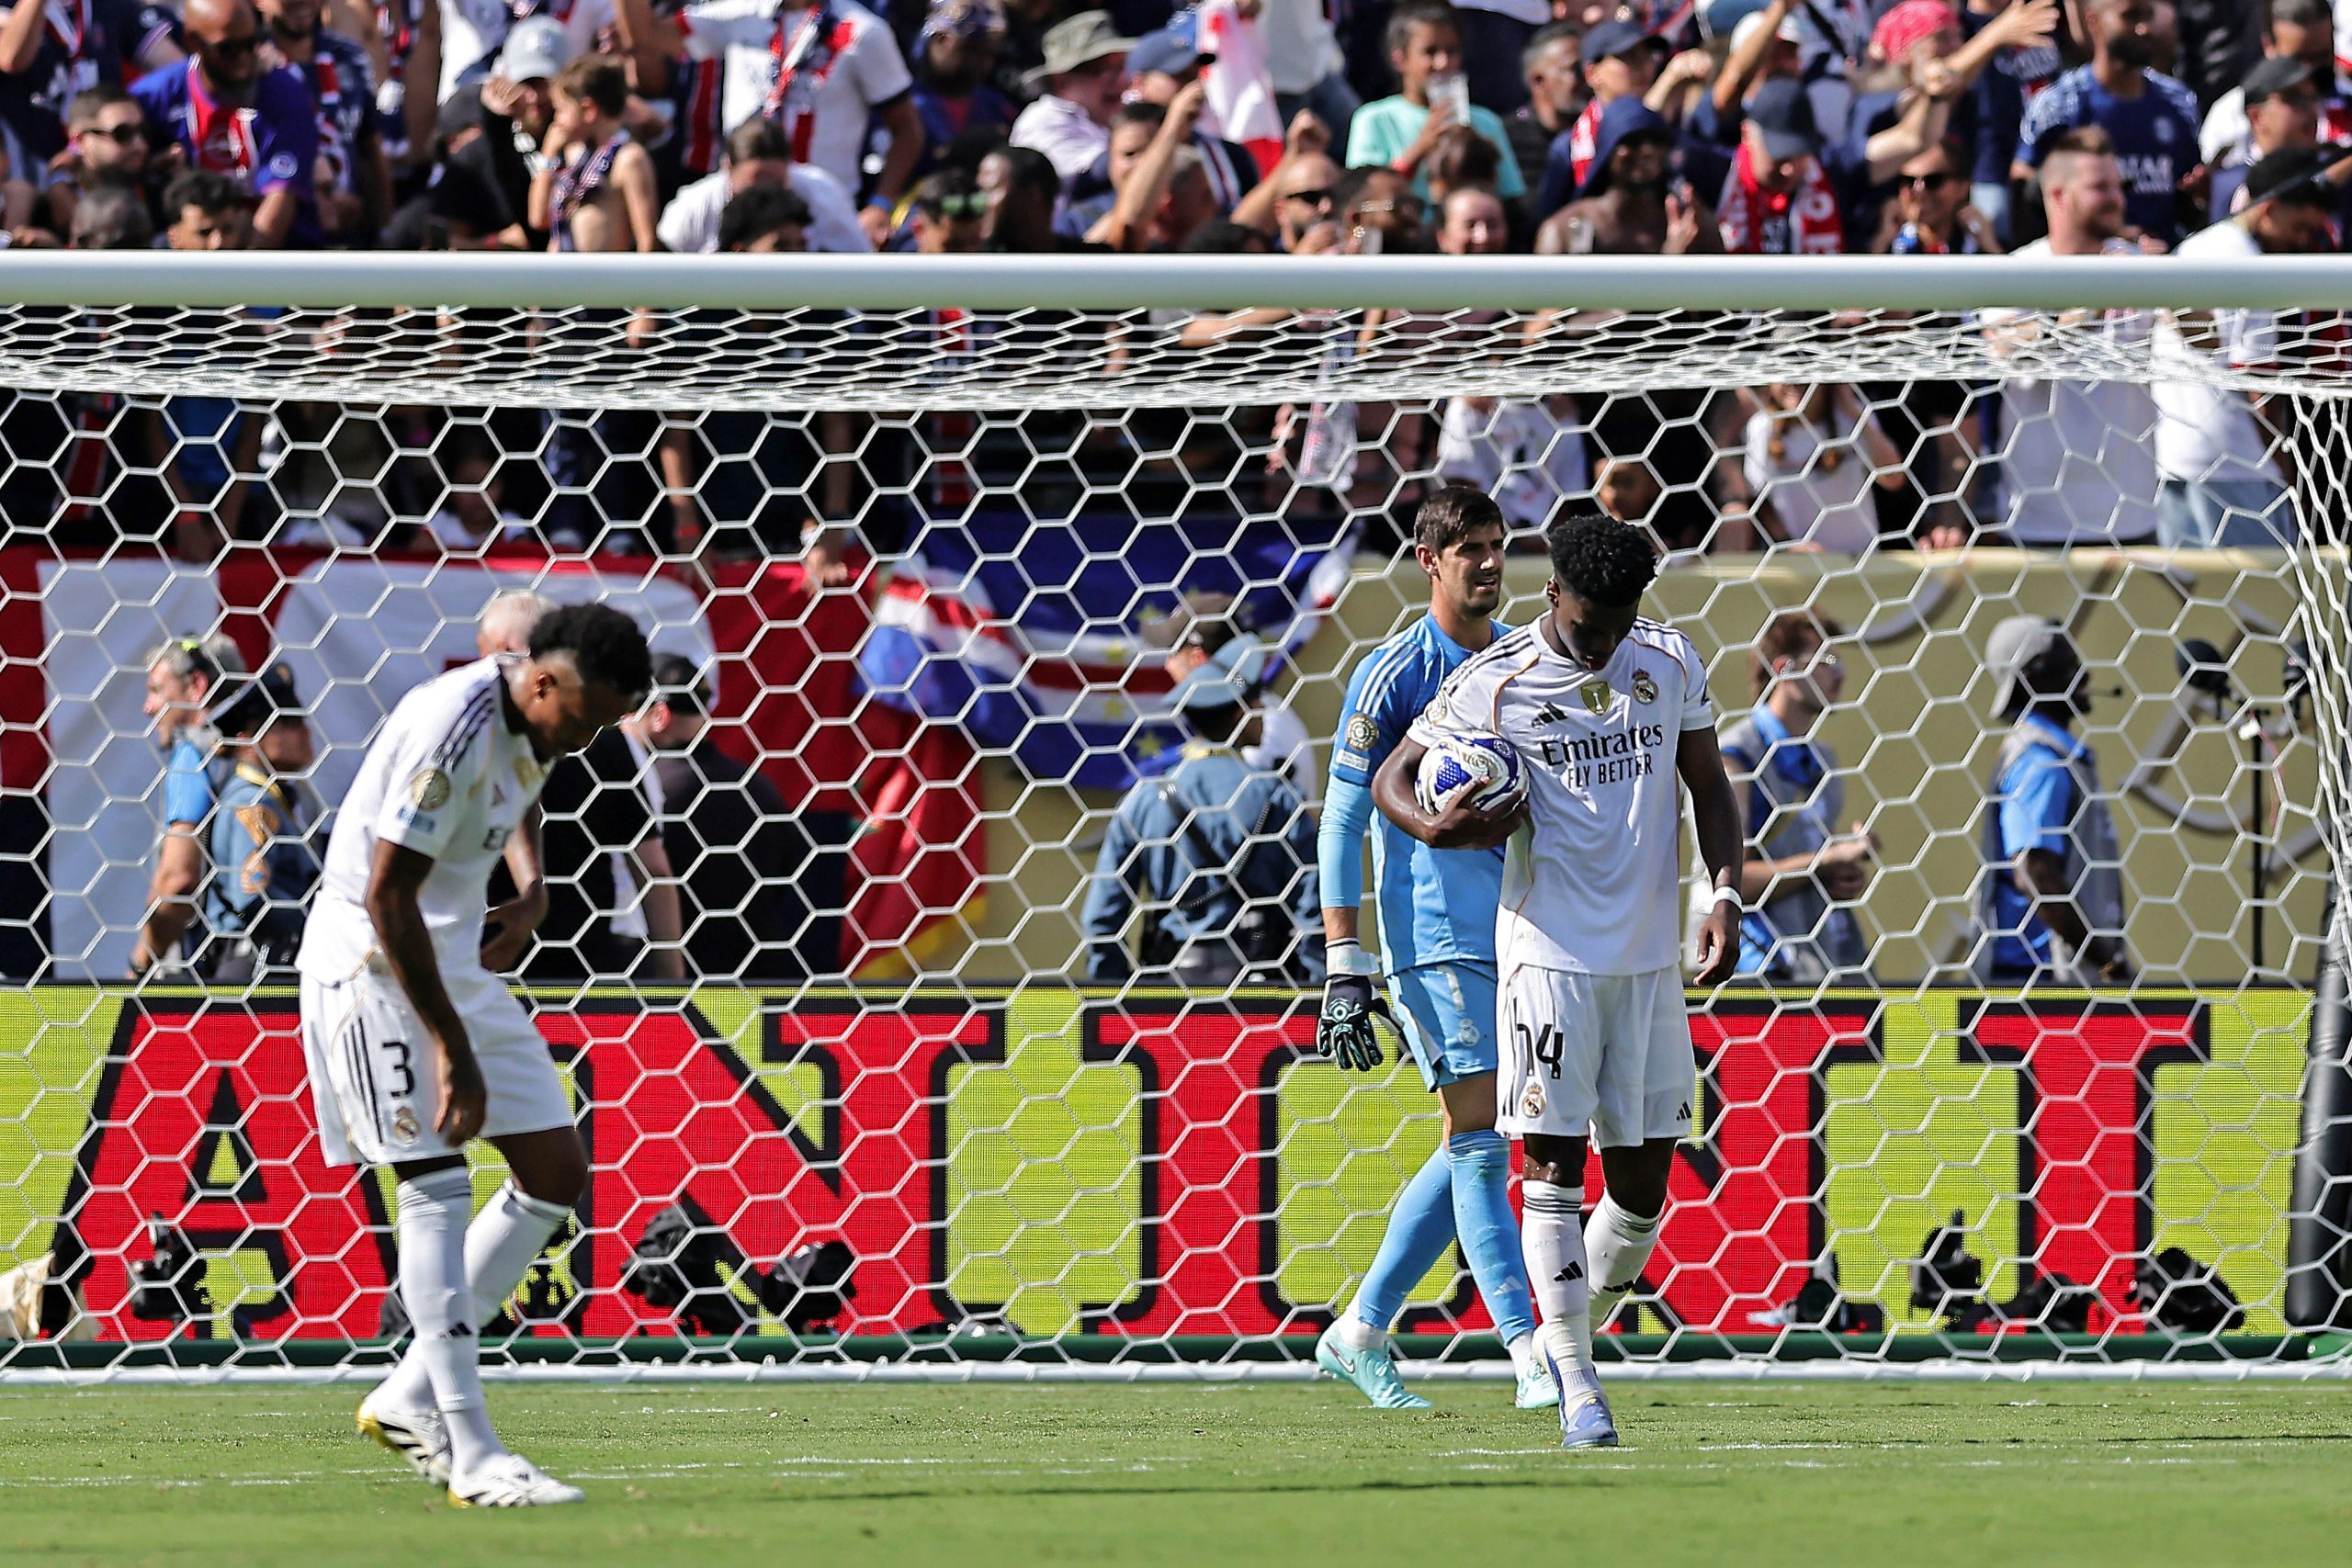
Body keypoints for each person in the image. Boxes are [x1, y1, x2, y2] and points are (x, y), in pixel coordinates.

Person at [1372, 511, 1742, 1450]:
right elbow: (1393, 775)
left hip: (1650, 958)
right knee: (1548, 1161)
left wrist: (1725, 893)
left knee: (1645, 1187)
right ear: (1553, 596)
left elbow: (1708, 782)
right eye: (1590, 626)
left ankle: (1560, 1336)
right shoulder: (1492, 684)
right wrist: (1431, 828)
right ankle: (1576, 1386)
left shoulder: (1666, 658)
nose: (1607, 642)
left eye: (1621, 623)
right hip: (1546, 955)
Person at [304, 603, 651, 1506]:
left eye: (607, 723)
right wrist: (449, 1045)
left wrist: (530, 891)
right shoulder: (449, 729)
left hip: (449, 952)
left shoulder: (537, 725)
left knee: (554, 1168)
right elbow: (387, 895)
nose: (586, 739)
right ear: (541, 680)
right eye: (582, 718)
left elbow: (520, 781)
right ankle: (473, 1454)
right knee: (435, 1181)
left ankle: (407, 1395)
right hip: (377, 963)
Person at [1310, 485, 1550, 1414]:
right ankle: (1535, 1359)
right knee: (1486, 1145)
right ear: (1428, 561)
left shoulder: (1518, 667)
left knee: (1471, 1137)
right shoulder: (1392, 673)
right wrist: (1345, 963)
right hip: (1430, 938)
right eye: (1469, 551)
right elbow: (1340, 820)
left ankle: (1359, 1329)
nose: (1489, 564)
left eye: (1497, 546)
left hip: (1514, 930)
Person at [1080, 638, 1320, 987]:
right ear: (1240, 713)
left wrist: (1118, 1003)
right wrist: (1314, 994)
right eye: (1257, 703)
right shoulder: (1279, 798)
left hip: (1170, 999)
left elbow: (1101, 921)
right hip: (1266, 998)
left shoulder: (1145, 801)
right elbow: (1314, 908)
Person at [1980, 126, 2162, 547]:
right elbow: (2004, 346)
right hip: (2036, 525)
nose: (2118, 199)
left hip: (2131, 522)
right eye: (2100, 187)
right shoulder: (2016, 272)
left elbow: (2205, 342)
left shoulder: (2139, 270)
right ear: (2057, 195)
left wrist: (2173, 286)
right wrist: (2090, 306)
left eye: (2119, 186)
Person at [2152, 146, 2337, 549]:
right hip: (2239, 470)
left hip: (2174, 459)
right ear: (2269, 210)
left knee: (2190, 609)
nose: (2304, 241)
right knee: (2261, 609)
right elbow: (2259, 391)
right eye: (2301, 228)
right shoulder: (2252, 269)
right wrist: (2289, 474)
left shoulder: (2197, 245)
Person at [633, 652, 836, 979]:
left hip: (677, 988)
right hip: (760, 986)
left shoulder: (646, 790)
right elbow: (786, 877)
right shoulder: (758, 787)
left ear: (660, 714)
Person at [647, 0, 919, 244]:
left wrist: (879, 205)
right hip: (738, 203)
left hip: (821, 219)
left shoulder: (864, 31)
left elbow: (907, 129)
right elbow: (648, 34)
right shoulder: (742, 13)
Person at [1971, 614, 2131, 987]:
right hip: (2038, 984)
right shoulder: (2041, 762)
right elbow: (2034, 873)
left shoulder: (2055, 757)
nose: (2085, 676)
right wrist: (2107, 962)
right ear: (2034, 676)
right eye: (2070, 665)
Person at [1717, 612, 1874, 985]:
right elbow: (1729, 882)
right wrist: (1826, 859)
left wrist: (1838, 873)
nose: (1841, 673)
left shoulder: (1821, 761)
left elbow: (1803, 862)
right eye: (1828, 661)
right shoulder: (1733, 758)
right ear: (1785, 670)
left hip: (1822, 963)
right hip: (1756, 970)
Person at [130, 0, 320, 248]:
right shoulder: (156, 95)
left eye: (250, 44)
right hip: (184, 251)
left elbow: (281, 198)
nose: (242, 58)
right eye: (226, 48)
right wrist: (149, 163)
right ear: (192, 42)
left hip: (277, 255)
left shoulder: (285, 93)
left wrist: (241, 278)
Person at [2014, 0, 2202, 246]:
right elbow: (2025, 190)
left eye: (2148, 16)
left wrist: (2201, 192)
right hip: (2087, 266)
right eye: (2130, 16)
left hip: (2164, 263)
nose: (2144, 28)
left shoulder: (2179, 100)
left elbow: (2187, 193)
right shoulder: (2059, 105)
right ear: (2094, 22)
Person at [128, 632, 246, 978]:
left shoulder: (192, 756)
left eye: (156, 690)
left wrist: (139, 964)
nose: (147, 708)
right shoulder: (267, 744)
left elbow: (177, 879)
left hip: (220, 968)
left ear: (196, 685)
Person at [0, 0, 179, 222]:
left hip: (102, 193)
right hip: (29, 198)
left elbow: (180, 71)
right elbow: (11, 58)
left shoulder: (109, 6)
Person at [196, 662, 319, 983]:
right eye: (288, 723)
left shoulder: (275, 796)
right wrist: (322, 920)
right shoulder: (254, 802)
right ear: (248, 739)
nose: (305, 732)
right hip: (257, 968)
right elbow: (252, 898)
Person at [1345, 3, 1527, 204]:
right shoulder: (1373, 120)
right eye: (1430, 52)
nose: (1443, 63)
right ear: (1400, 59)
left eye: (1452, 51)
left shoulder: (1486, 123)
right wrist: (1420, 148)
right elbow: (1362, 200)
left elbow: (1511, 199)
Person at [257, 0, 386, 245]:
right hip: (282, 239)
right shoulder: (247, 65)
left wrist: (385, 229)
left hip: (349, 233)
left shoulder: (350, 56)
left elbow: (370, 145)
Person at [1734, 382, 1906, 552]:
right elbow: (1757, 500)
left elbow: (1893, 478)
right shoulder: (1762, 428)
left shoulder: (1851, 418)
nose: (1794, 383)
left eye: (1804, 375)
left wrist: (1853, 411)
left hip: (1860, 557)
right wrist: (1789, 544)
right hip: (1804, 566)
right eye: (1786, 375)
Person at [2199, 0, 2347, 173]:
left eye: (2321, 56)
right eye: (2298, 59)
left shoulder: (2349, 99)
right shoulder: (2230, 117)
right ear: (2269, 46)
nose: (2310, 71)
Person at [530, 54, 656, 255]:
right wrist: (547, 156)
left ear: (589, 110)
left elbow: (646, 239)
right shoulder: (571, 154)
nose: (556, 120)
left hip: (605, 281)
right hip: (560, 278)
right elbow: (538, 219)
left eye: (561, 110)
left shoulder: (629, 158)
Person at [1534, 17, 1657, 216]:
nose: (1643, 66)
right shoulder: (1568, 148)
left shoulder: (1664, 130)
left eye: (1648, 56)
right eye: (1628, 57)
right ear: (1592, 74)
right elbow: (1551, 220)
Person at [1009, 10, 1131, 181]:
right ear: (1061, 83)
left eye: (1119, 67)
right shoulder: (1042, 120)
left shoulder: (1127, 107)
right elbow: (1094, 178)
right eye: (1097, 70)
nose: (1116, 81)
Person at [1505, 20, 1584, 194]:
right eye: (1575, 69)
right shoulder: (1506, 140)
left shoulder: (1596, 134)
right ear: (1538, 81)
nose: (1587, 79)